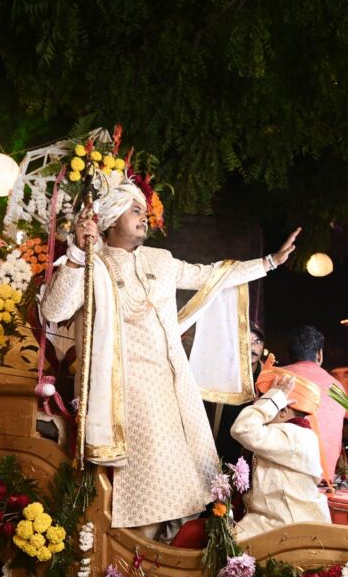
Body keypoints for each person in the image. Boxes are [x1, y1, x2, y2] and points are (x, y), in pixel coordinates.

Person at [39, 170, 300, 539]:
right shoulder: (91, 265)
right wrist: (79, 254)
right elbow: (54, 310)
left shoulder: (160, 260)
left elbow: (211, 276)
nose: (142, 216)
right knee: (154, 482)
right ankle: (131, 566)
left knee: (188, 480)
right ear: (111, 219)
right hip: (127, 389)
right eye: (133, 210)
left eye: (143, 209)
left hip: (174, 384)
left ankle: (145, 560)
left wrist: (269, 262)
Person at [230, 371, 332, 541]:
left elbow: (242, 427)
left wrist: (275, 398)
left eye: (268, 407)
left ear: (283, 410)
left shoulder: (291, 434)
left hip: (285, 530)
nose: (264, 415)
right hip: (289, 525)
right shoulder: (302, 434)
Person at [281, 326, 345, 484]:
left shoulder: (273, 378)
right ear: (319, 354)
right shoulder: (337, 388)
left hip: (281, 481)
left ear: (290, 354)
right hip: (323, 481)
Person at [213, 323, 266, 465]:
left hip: (249, 446)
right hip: (221, 440)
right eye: (246, 341)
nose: (252, 347)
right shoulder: (223, 371)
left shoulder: (267, 375)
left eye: (257, 342)